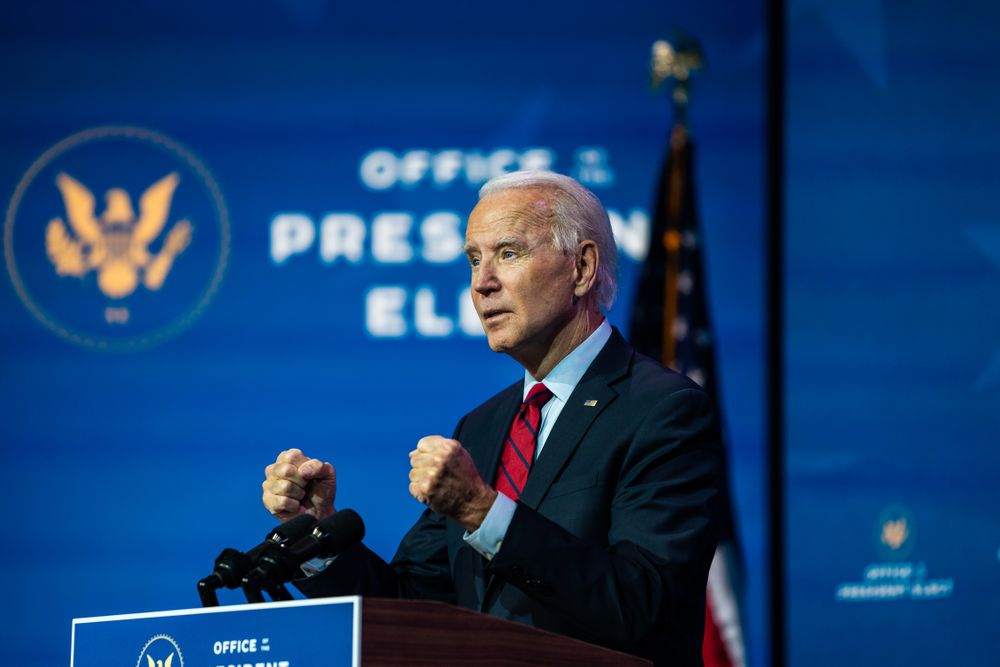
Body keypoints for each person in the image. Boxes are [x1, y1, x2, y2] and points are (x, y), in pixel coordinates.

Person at [261, 171, 722, 666]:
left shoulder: (663, 411)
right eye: (474, 259)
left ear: (582, 268)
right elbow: (410, 608)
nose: (482, 283)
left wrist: (483, 511)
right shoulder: (481, 426)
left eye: (508, 253)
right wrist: (318, 534)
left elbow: (641, 606)